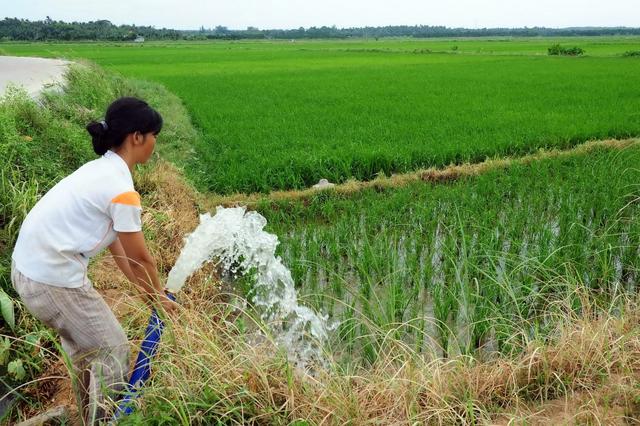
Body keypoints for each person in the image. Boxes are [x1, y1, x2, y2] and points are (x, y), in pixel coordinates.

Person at [10, 97, 179, 424]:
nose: (156, 143)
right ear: (137, 137)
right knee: (112, 348)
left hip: (31, 272)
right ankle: (106, 421)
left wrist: (149, 297)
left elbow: (121, 253)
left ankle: (89, 417)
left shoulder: (100, 170)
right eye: (154, 135)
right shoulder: (120, 188)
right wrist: (158, 298)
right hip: (51, 280)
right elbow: (143, 260)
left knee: (87, 355)